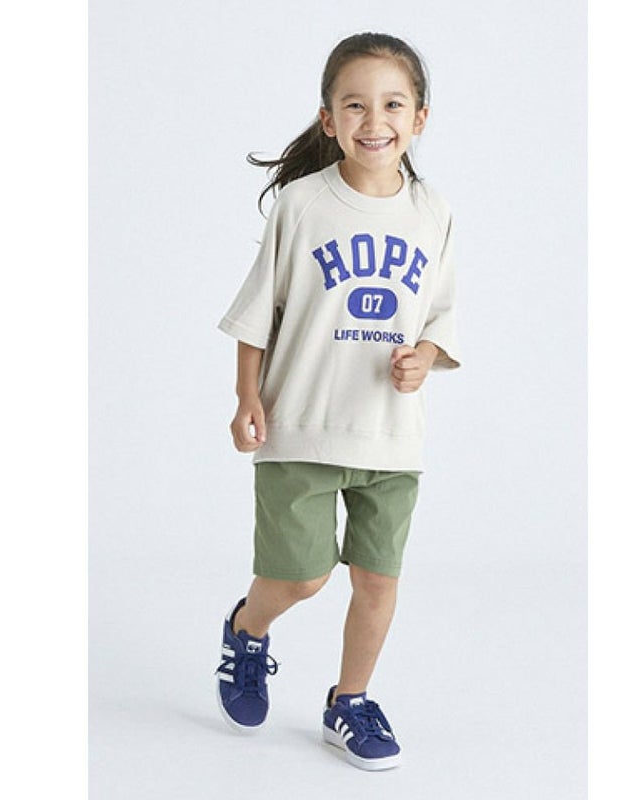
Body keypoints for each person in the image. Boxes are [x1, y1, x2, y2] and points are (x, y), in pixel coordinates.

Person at [215, 31, 460, 771]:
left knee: (377, 581)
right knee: (302, 577)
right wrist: (246, 396)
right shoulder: (302, 205)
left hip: (391, 435)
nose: (373, 120)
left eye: (393, 104)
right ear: (328, 119)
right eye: (355, 105)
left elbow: (440, 318)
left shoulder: (434, 212)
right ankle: (247, 630)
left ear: (420, 117)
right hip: (300, 427)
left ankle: (348, 703)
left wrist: (424, 357)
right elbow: (258, 314)